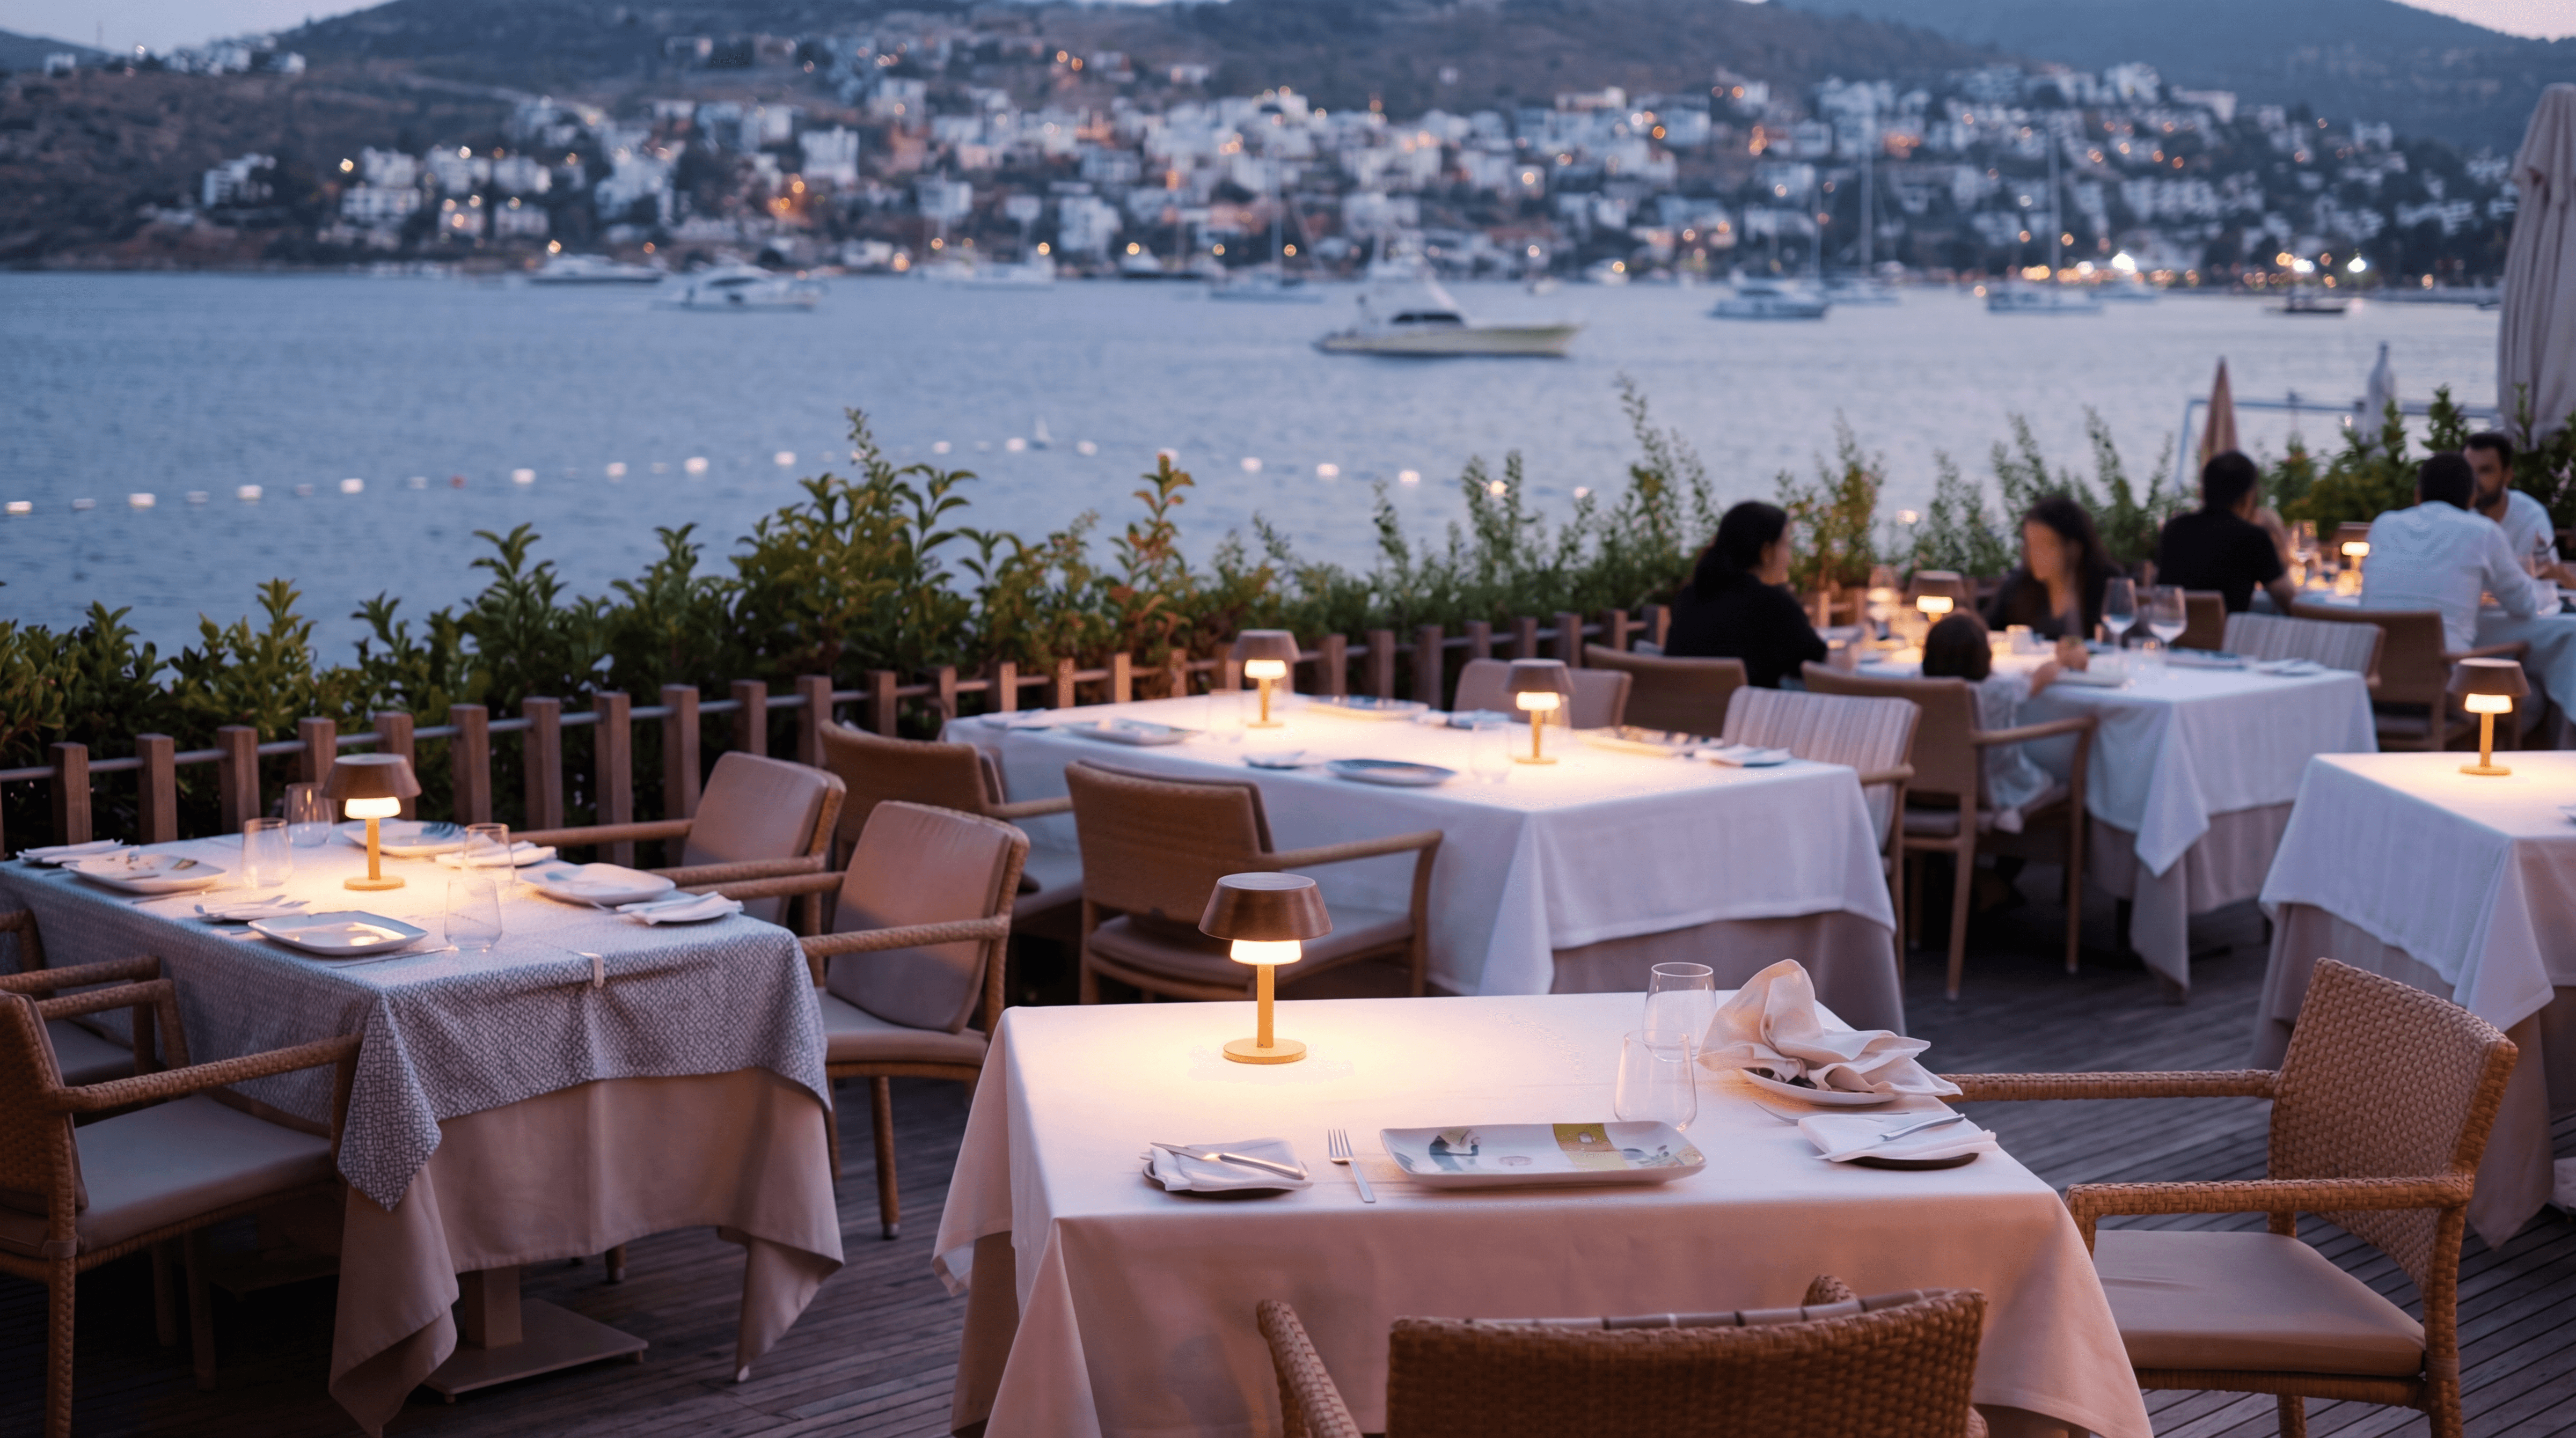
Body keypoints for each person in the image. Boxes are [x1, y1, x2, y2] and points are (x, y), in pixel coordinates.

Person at [1919, 612, 2086, 832]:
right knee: (2050, 774)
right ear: (1985, 656)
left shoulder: (1916, 687)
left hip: (1923, 791)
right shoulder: (1998, 691)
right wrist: (2061, 661)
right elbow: (2039, 679)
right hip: (1988, 794)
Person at [2357, 451, 2539, 653]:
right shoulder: (2484, 531)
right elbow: (2526, 605)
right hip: (2445, 673)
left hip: (2373, 671)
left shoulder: (2383, 525)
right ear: (2472, 499)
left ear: (2418, 496)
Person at [1664, 500, 1828, 688]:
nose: (1790, 559)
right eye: (1787, 546)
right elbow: (1819, 669)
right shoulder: (1774, 605)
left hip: (1686, 715)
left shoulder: (1688, 599)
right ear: (1766, 553)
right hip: (1752, 716)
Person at [2152, 450, 2297, 614]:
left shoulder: (2174, 529)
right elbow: (2288, 599)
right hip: (2227, 638)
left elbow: (2158, 584)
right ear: (2248, 497)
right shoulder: (2253, 538)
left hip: (2173, 633)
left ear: (2203, 493)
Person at [1983, 495, 2122, 641]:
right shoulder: (2018, 587)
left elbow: (2124, 642)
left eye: (2044, 546)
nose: (2034, 555)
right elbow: (1985, 632)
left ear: (2073, 548)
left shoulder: (2106, 584)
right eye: (2030, 545)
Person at [2468, 431, 2575, 586]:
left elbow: (2543, 571)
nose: (2474, 481)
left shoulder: (2529, 517)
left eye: (2485, 471)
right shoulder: (2458, 514)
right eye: (2469, 472)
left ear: (2508, 475)